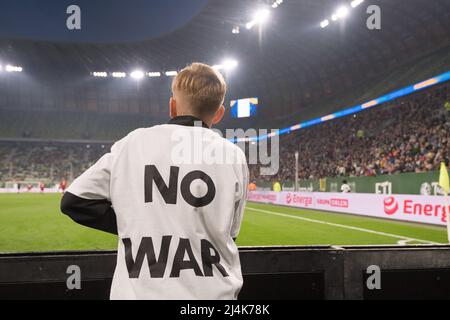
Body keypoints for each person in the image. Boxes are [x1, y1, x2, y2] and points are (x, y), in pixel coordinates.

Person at [61, 63, 249, 300]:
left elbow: (73, 201)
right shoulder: (233, 156)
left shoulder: (134, 142)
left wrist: (136, 223)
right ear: (219, 113)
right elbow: (230, 236)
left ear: (172, 106)